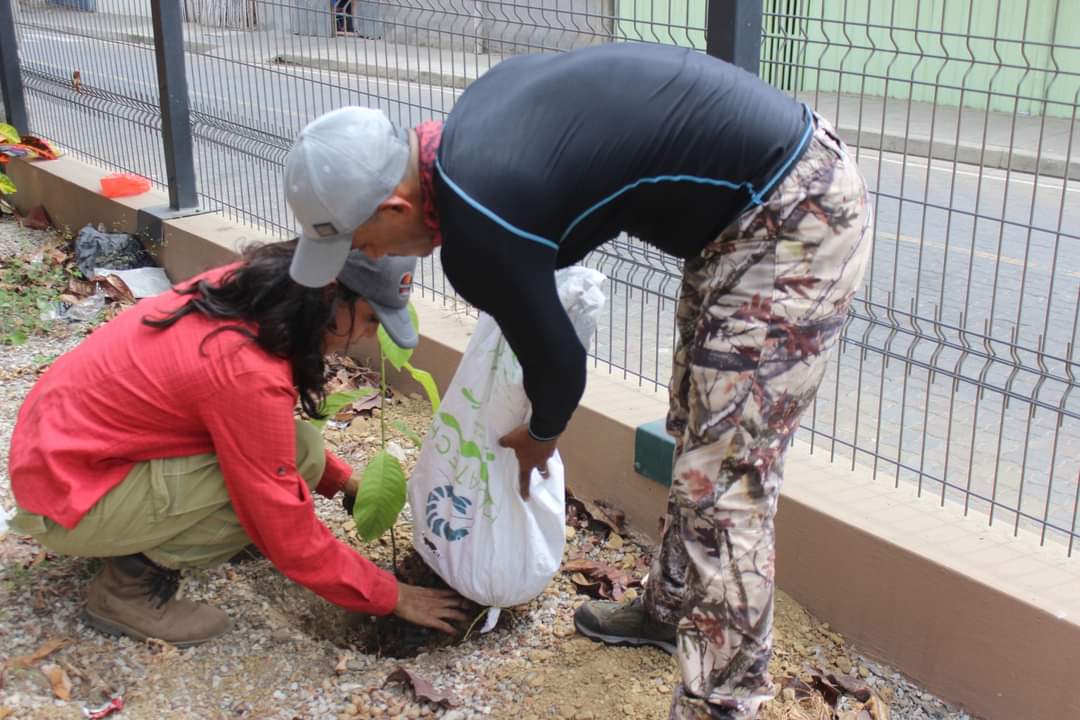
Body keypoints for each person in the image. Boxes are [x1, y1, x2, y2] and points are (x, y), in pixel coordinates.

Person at [282, 42, 873, 719]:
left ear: (393, 205)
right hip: (744, 212)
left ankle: (722, 704)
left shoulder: (479, 220)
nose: (370, 258)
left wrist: (540, 435)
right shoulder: (464, 136)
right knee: (696, 425)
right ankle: (671, 609)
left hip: (792, 212)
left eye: (361, 243)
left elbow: (560, 367)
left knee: (726, 483)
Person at [7, 242, 468, 648]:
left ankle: (163, 534)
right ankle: (126, 592)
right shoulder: (245, 369)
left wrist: (343, 481)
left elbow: (264, 436)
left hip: (66, 454)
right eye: (369, 319)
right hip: (71, 496)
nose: (370, 334)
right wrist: (392, 595)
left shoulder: (249, 288)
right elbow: (283, 528)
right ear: (330, 296)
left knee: (304, 450)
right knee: (269, 495)